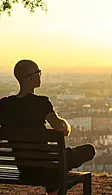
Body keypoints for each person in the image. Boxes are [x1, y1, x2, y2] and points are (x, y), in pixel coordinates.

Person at [0, 60, 96, 195]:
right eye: (38, 72)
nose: (40, 75)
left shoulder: (4, 105)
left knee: (58, 162)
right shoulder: (41, 103)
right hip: (46, 164)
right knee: (88, 150)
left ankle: (55, 187)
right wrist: (65, 123)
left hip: (23, 167)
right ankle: (58, 187)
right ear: (31, 77)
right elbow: (60, 127)